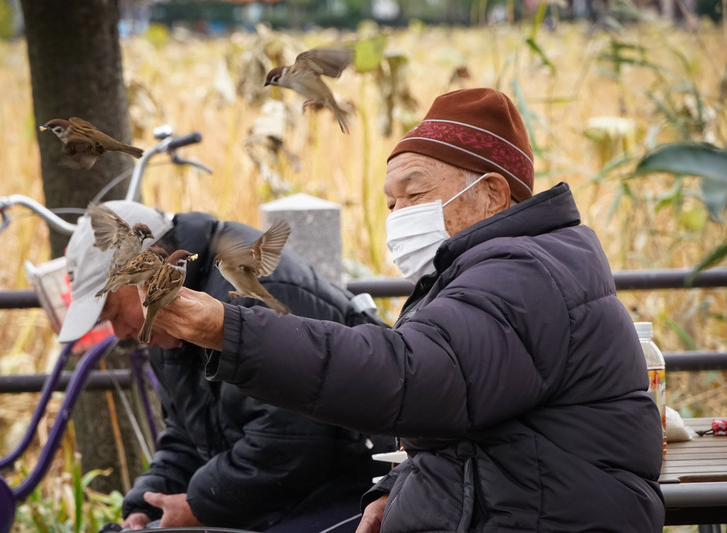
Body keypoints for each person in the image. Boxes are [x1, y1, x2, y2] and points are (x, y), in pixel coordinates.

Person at [138, 88, 666, 532]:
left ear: (493, 195)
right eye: (390, 203)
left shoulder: (522, 275)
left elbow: (414, 379)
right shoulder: (492, 269)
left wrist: (227, 329)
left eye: (413, 194)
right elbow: (471, 418)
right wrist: (396, 486)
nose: (397, 215)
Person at [57, 202, 394, 531]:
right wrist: (149, 503)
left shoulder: (251, 294)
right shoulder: (167, 318)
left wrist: (198, 506)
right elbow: (186, 434)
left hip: (362, 485)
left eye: (114, 313)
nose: (119, 333)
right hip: (286, 494)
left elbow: (292, 441)